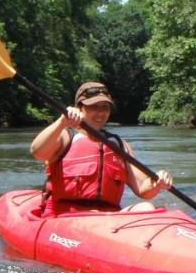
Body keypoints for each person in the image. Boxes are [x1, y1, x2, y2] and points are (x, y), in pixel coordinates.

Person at [30, 81, 173, 216]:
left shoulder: (118, 145)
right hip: (67, 217)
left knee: (146, 207)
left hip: (106, 219)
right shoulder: (65, 136)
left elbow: (143, 190)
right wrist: (61, 122)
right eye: (94, 107)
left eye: (105, 107)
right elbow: (37, 152)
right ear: (79, 108)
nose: (100, 113)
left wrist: (157, 181)